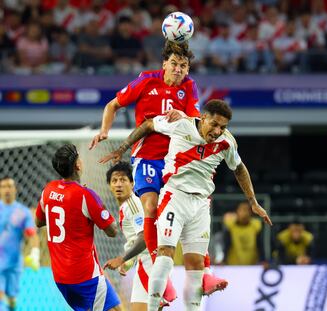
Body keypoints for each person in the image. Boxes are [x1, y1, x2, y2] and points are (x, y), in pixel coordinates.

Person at [100, 99, 272, 311]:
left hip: (200, 205)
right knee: (165, 255)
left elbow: (239, 168)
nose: (218, 131)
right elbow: (149, 125)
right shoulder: (181, 124)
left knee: (196, 265)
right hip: (175, 197)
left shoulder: (227, 143)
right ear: (203, 118)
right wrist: (123, 148)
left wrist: (253, 202)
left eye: (223, 127)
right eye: (215, 124)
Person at [90, 40, 226, 295]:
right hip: (147, 157)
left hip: (177, 160)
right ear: (164, 64)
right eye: (173, 64)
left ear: (187, 69)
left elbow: (199, 121)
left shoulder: (190, 86)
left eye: (183, 66)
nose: (178, 69)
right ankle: (160, 276)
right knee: (151, 207)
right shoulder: (146, 80)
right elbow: (113, 105)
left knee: (194, 210)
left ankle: (205, 272)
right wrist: (105, 131)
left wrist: (183, 116)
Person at [34, 144, 121, 311]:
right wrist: (97, 204)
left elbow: (39, 222)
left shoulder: (48, 190)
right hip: (85, 277)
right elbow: (112, 231)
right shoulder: (85, 195)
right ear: (78, 165)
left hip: (61, 278)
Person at [103, 162, 171, 310]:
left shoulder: (132, 205)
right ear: (109, 186)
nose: (119, 185)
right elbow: (136, 238)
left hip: (150, 263)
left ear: (132, 183)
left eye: (123, 180)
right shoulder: (127, 206)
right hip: (147, 261)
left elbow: (145, 237)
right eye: (114, 181)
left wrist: (122, 258)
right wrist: (128, 262)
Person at [0, 177, 40, 311]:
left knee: (11, 299)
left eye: (10, 186)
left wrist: (35, 253)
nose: (7, 189)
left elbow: (32, 234)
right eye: (4, 186)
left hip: (14, 263)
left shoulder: (22, 212)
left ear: (15, 189)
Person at [223, 201, 265, 265]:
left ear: (251, 213)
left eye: (247, 210)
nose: (245, 213)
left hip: (252, 266)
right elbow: (226, 245)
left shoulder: (256, 226)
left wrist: (263, 260)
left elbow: (260, 246)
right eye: (242, 210)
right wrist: (224, 260)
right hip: (233, 266)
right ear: (236, 212)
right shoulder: (231, 226)